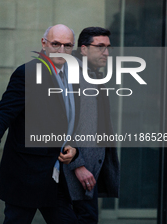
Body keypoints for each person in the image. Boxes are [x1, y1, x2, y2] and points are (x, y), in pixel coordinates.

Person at [0, 24, 79, 224]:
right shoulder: (28, 73)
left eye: (67, 46)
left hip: (55, 176)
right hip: (26, 174)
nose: (61, 50)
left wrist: (74, 148)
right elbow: (4, 113)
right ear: (44, 43)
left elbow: (72, 121)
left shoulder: (72, 78)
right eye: (56, 44)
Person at [63, 27, 120, 224]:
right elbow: (61, 124)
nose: (106, 53)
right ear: (84, 49)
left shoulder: (94, 75)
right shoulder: (72, 76)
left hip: (90, 174)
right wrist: (77, 165)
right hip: (76, 174)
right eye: (100, 47)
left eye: (108, 48)